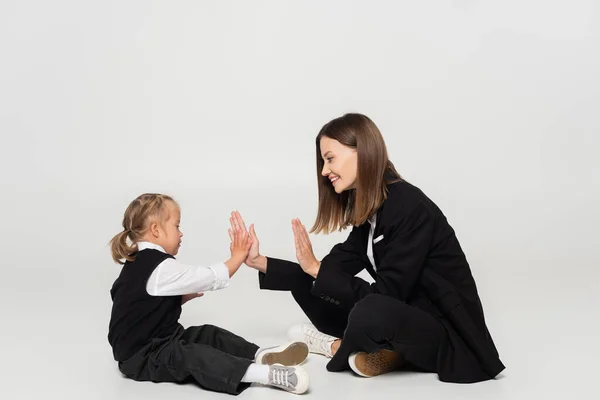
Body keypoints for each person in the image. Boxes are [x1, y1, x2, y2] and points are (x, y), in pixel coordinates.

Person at [230, 113, 505, 383]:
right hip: (401, 319)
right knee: (314, 282)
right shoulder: (373, 211)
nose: (325, 171)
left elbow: (388, 296)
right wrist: (261, 261)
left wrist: (316, 269)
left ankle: (335, 347)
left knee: (369, 308)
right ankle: (385, 353)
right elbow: (331, 270)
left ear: (361, 152)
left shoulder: (409, 206)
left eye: (330, 159)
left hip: (443, 333)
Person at [107, 193, 310, 395]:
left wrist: (177, 299)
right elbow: (212, 277)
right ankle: (265, 374)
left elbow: (138, 306)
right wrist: (237, 256)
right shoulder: (160, 267)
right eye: (177, 226)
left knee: (208, 333)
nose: (181, 233)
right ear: (155, 230)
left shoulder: (139, 262)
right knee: (193, 356)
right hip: (143, 356)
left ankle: (259, 354)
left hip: (163, 339)